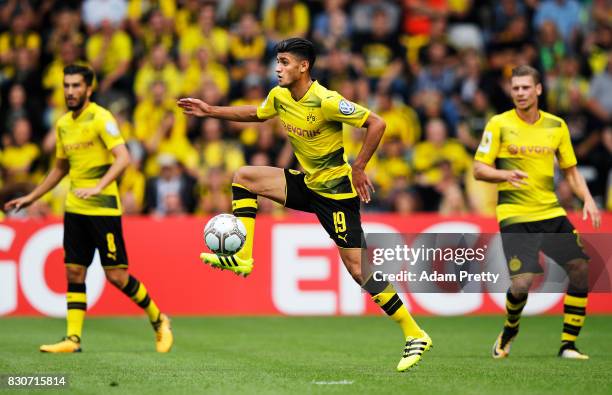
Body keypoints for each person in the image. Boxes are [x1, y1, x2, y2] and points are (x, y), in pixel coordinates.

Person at [178, 38, 431, 372]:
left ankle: (414, 333)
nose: (277, 68)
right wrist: (211, 110)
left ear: (303, 66)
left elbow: (377, 123)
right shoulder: (280, 96)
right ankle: (243, 255)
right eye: (277, 62)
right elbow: (254, 113)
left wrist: (358, 168)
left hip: (336, 194)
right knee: (244, 177)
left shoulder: (326, 100)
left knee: (357, 270)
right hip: (307, 183)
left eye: (283, 62)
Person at [4, 65, 173, 353]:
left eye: (75, 86)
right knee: (73, 272)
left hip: (103, 210)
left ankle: (159, 319)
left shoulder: (101, 118)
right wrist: (31, 197)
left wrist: (99, 186)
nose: (70, 91)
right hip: (75, 209)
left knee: (116, 276)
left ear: (88, 89)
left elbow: (123, 158)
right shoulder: (63, 125)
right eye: (66, 86)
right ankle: (73, 338)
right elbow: (60, 168)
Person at [473, 65, 601, 360]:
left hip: (550, 211)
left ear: (538, 90)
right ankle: (510, 329)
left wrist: (587, 199)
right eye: (515, 88)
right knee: (521, 283)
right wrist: (503, 176)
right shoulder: (499, 124)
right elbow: (478, 169)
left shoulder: (556, 126)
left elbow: (571, 171)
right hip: (515, 212)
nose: (519, 93)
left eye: (525, 87)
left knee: (581, 269)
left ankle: (568, 345)